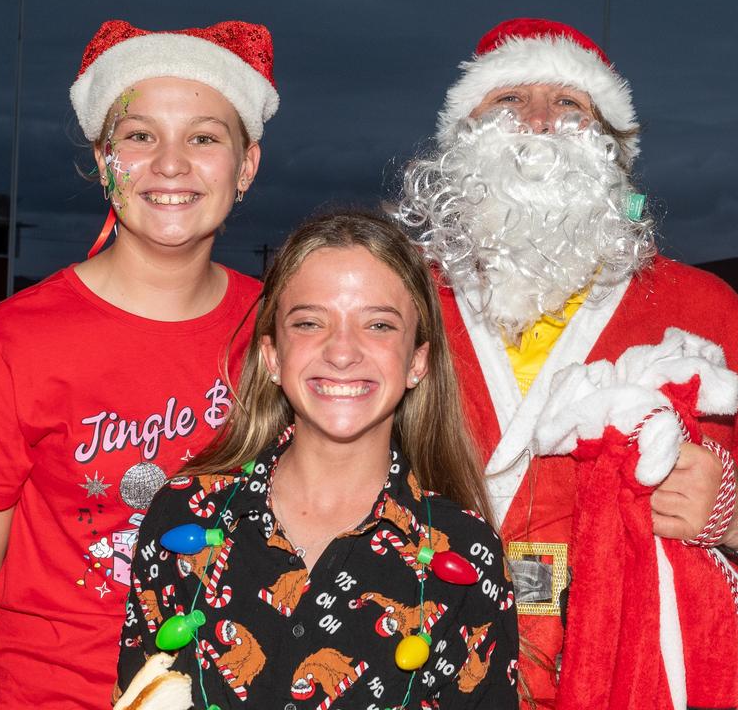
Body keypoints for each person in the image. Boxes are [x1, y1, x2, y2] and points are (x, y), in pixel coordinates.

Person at [394, 17, 738, 710]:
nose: (538, 122)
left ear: (614, 151)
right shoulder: (390, 301)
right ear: (460, 138)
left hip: (630, 677)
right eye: (507, 100)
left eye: (569, 105)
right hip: (414, 668)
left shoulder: (705, 309)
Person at [0, 19, 278, 709]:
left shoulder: (287, 332)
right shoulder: (6, 347)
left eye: (204, 136)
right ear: (104, 158)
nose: (171, 163)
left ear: (246, 165)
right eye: (139, 136)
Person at [116, 212, 518, 709]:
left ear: (417, 362)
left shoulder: (466, 552)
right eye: (309, 322)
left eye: (378, 324)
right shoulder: (183, 514)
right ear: (272, 357)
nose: (343, 351)